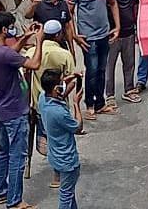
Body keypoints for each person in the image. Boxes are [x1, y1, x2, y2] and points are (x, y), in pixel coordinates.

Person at [0, 12, 43, 209]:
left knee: (4, 152)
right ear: (4, 29)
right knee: (17, 157)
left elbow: (11, 54)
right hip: (15, 112)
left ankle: (1, 191)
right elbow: (34, 64)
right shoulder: (6, 54)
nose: (12, 29)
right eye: (10, 27)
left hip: (1, 109)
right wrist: (39, 42)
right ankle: (15, 201)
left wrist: (25, 37)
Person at [67, 0, 119, 119]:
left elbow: (112, 3)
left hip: (104, 34)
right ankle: (89, 105)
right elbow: (70, 11)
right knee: (92, 70)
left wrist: (117, 26)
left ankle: (100, 103)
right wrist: (75, 34)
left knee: (102, 69)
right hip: (87, 37)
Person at [39, 69, 83, 209]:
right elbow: (78, 127)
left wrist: (72, 77)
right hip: (67, 160)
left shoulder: (42, 98)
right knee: (66, 196)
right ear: (56, 89)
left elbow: (60, 86)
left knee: (69, 193)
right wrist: (76, 103)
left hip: (55, 156)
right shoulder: (59, 113)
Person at [107, 0, 141, 104]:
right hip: (112, 35)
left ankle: (129, 90)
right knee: (110, 66)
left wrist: (137, 31)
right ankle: (109, 96)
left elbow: (137, 9)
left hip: (129, 33)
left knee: (129, 64)